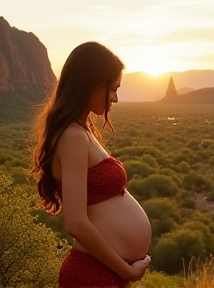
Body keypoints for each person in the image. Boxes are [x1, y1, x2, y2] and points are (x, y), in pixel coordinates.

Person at [31, 42, 152, 288]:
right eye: (113, 89)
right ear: (92, 83)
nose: (115, 98)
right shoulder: (73, 136)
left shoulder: (83, 129)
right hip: (92, 273)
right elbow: (75, 222)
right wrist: (126, 270)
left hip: (103, 271)